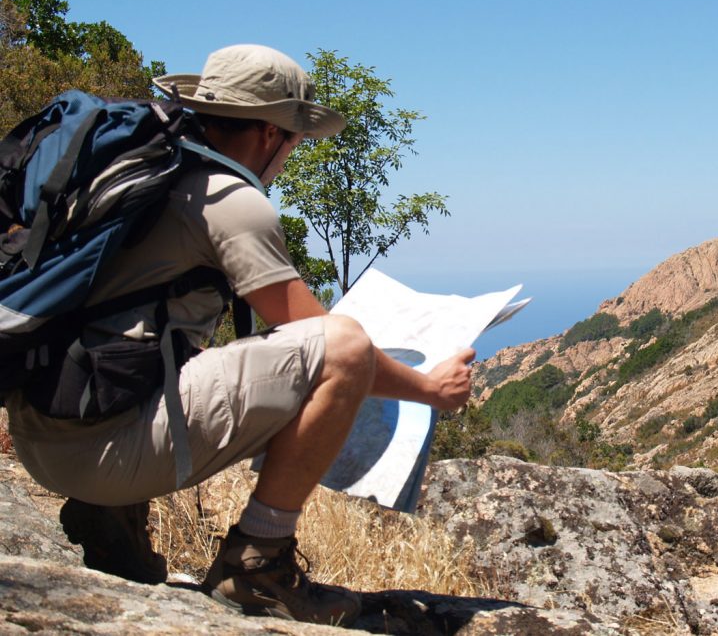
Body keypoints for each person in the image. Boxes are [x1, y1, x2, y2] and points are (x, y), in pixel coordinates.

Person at [4, 44, 474, 626]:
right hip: (99, 455)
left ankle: (112, 518)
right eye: (294, 139)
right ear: (270, 134)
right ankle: (257, 564)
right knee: (346, 347)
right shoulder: (232, 202)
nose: (290, 154)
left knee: (162, 341)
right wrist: (431, 389)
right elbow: (326, 342)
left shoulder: (144, 170)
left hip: (40, 438)